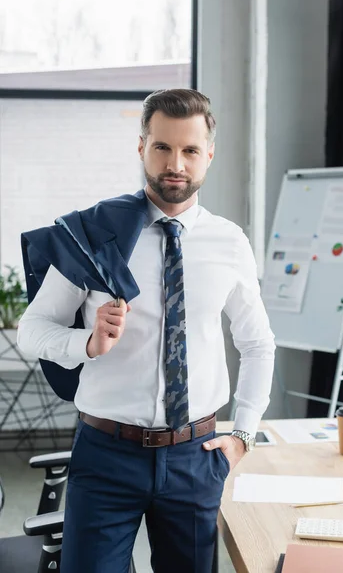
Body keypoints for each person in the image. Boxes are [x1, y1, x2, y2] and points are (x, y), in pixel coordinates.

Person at [17, 89, 275, 573]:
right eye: (162, 148)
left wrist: (244, 433)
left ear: (208, 155)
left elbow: (257, 342)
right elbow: (31, 330)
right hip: (105, 455)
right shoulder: (94, 235)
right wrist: (86, 343)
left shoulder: (229, 242)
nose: (175, 163)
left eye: (190, 150)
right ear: (142, 149)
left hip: (196, 458)